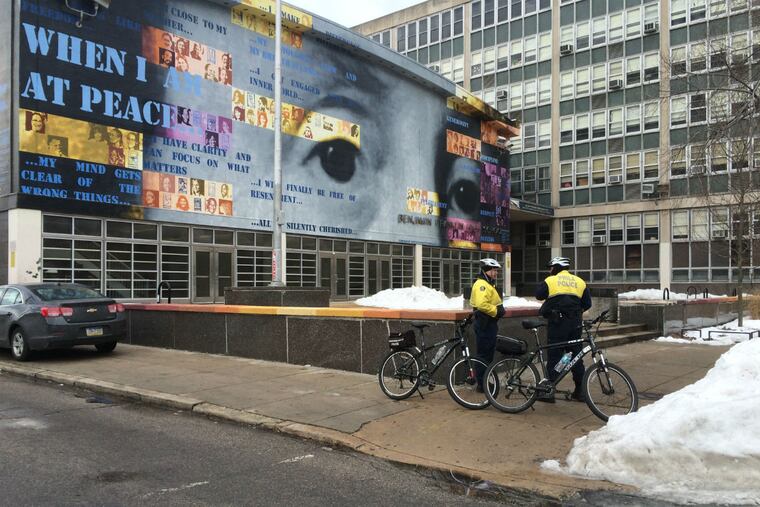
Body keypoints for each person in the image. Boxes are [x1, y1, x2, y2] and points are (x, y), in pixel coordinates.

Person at [535, 257, 592, 403]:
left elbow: (539, 295)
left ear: (555, 268)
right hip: (575, 325)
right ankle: (581, 392)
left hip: (557, 324)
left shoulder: (551, 280)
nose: (550, 270)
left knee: (555, 356)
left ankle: (549, 390)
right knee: (575, 357)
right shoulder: (579, 281)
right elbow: (587, 303)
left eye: (551, 267)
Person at [469, 258, 505, 392]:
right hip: (484, 323)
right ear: (486, 271)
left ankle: (484, 381)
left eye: (496, 271)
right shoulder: (481, 285)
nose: (496, 273)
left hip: (488, 323)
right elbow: (482, 304)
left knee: (488, 354)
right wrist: (497, 311)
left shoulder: (488, 284)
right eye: (494, 270)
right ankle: (481, 384)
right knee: (483, 355)